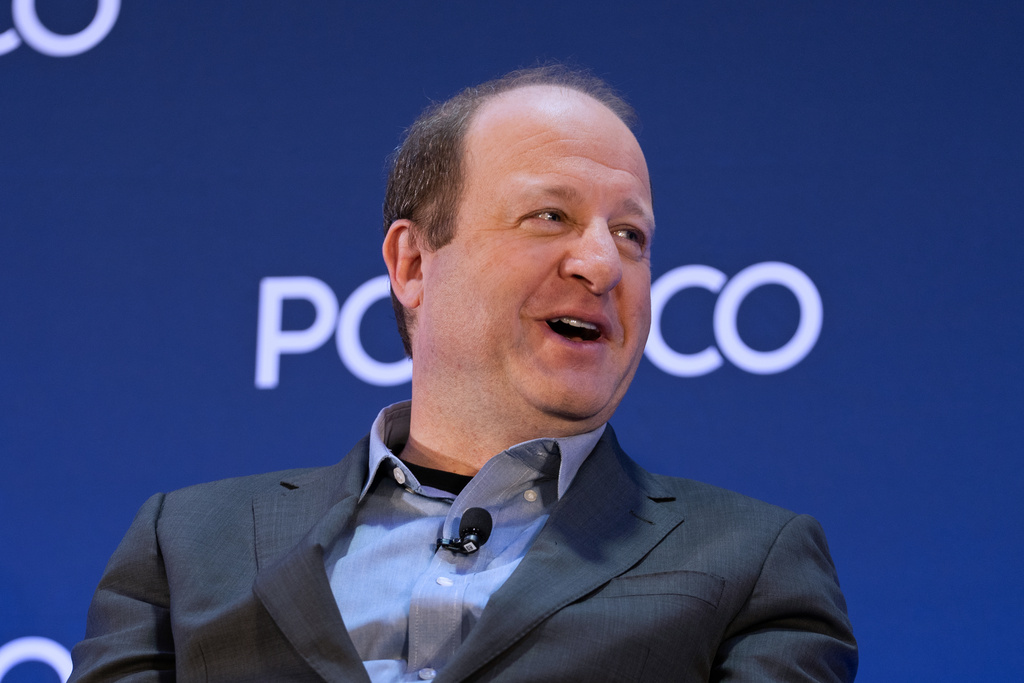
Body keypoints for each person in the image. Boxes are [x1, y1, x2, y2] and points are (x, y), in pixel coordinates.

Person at [70, 66, 857, 682]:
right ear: (414, 264)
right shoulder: (186, 543)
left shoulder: (752, 564)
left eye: (631, 234)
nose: (601, 264)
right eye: (550, 215)